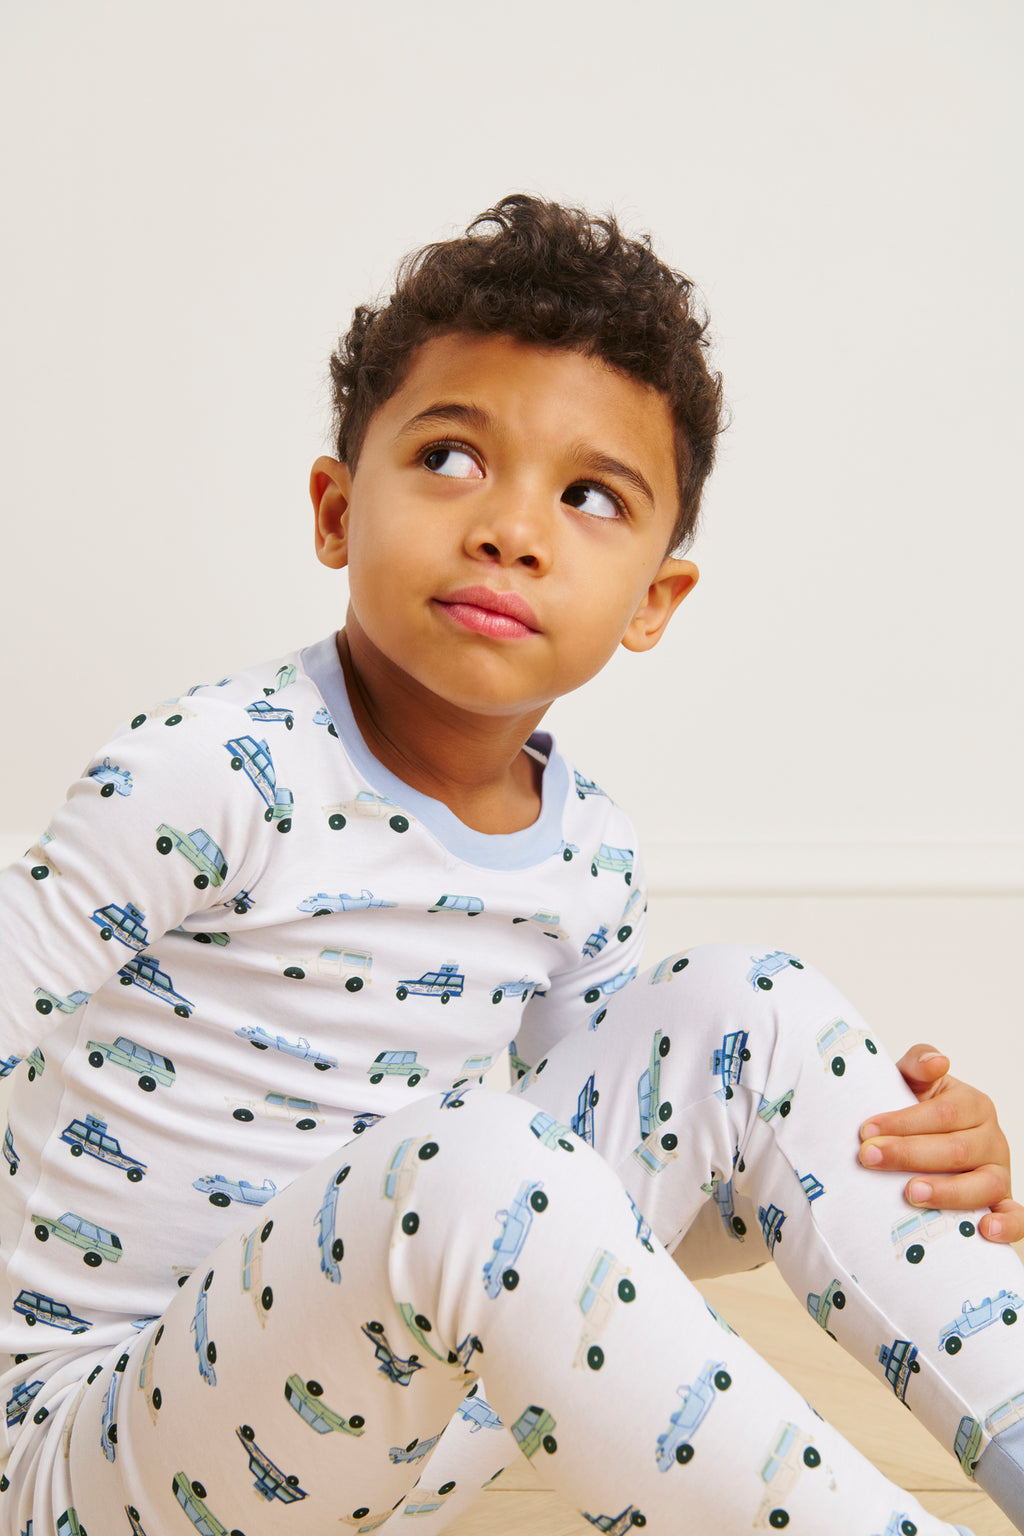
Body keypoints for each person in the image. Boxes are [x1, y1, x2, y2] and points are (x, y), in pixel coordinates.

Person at [0, 195, 1021, 1536]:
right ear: (334, 506)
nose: (511, 529)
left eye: (590, 497)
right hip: (102, 1457)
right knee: (477, 1161)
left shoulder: (588, 851)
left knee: (746, 1010)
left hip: (386, 1420)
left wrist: (854, 1151)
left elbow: (589, 1219)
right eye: (449, 460)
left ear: (655, 598)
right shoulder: (210, 772)